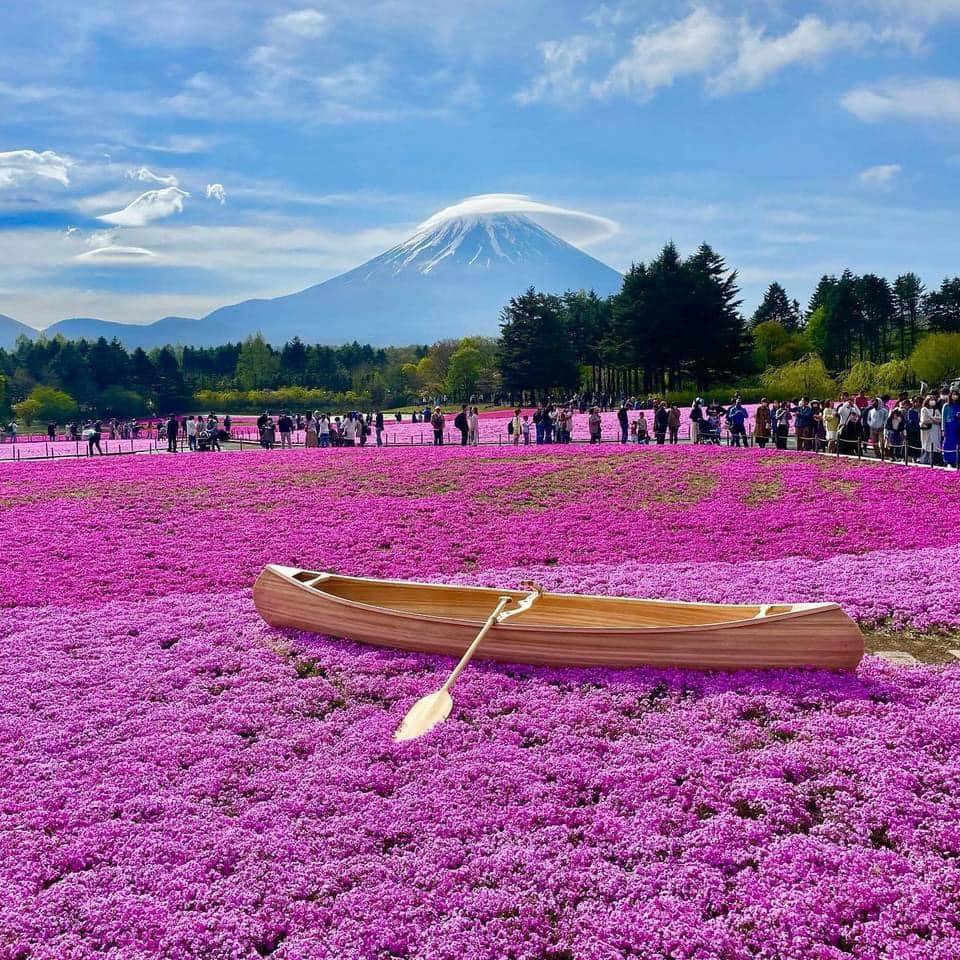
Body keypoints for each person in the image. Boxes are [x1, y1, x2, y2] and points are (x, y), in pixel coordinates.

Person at [918, 395, 941, 465]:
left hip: (935, 429)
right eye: (931, 399)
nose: (932, 401)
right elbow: (924, 420)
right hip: (927, 430)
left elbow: (940, 419)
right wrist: (934, 419)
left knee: (935, 444)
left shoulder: (936, 410)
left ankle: (935, 460)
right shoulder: (924, 409)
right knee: (927, 444)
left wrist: (931, 418)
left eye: (933, 399)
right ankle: (925, 460)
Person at [942, 389, 960, 468]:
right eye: (953, 394)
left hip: (958, 427)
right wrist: (943, 429)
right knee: (948, 444)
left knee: (957, 444)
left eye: (956, 394)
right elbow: (943, 418)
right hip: (949, 427)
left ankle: (957, 460)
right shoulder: (946, 406)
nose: (955, 396)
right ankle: (948, 461)